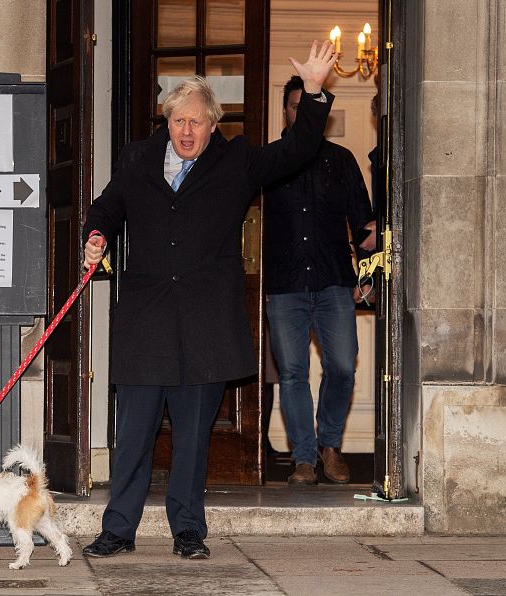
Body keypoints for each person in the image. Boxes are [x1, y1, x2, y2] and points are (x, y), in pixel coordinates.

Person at [80, 41, 337, 560]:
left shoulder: (236, 161)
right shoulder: (137, 158)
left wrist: (311, 93)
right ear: (167, 121)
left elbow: (296, 151)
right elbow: (107, 207)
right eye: (179, 121)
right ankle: (118, 529)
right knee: (133, 436)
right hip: (146, 320)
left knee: (194, 440)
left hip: (204, 324)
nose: (187, 131)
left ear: (213, 125)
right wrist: (96, 235)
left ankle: (188, 531)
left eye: (198, 122)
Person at [263, 74, 375, 487]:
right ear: (287, 111)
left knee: (343, 366)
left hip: (333, 283)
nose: (301, 111)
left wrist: (368, 272)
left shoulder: (342, 160)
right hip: (285, 285)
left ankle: (330, 446)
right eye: (294, 105)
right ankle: (305, 460)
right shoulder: (270, 160)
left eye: (308, 104)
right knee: (292, 373)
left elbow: (364, 223)